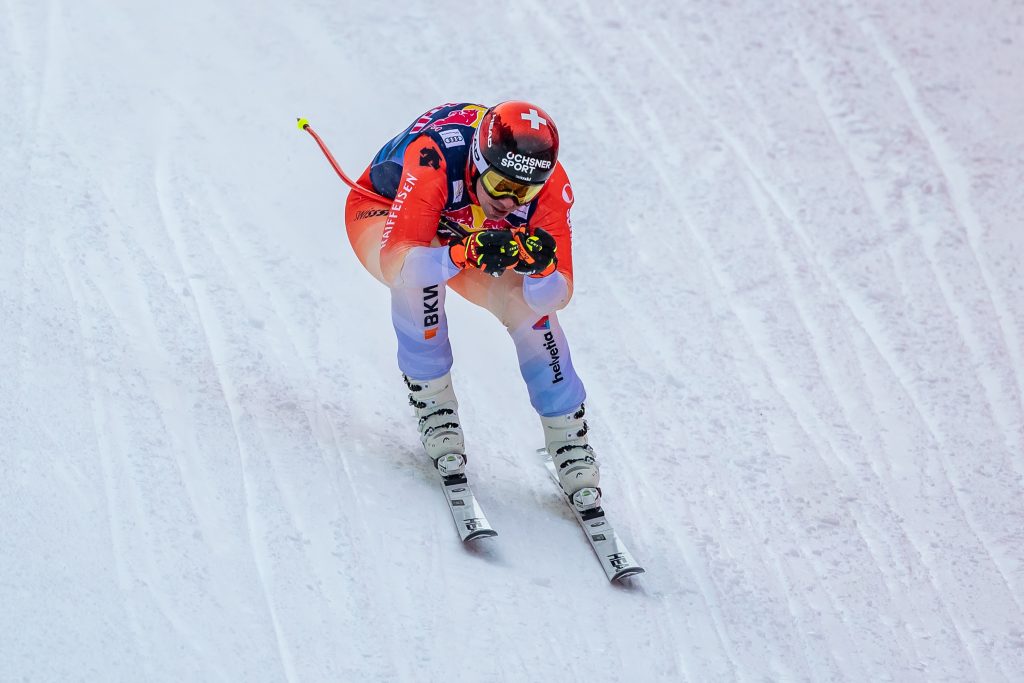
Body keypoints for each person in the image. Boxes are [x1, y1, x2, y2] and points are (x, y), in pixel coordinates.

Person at [343, 101, 601, 511]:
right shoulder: (435, 158)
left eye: (524, 192)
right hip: (385, 212)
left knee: (528, 310)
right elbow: (398, 264)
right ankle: (434, 406)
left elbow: (556, 295)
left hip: (462, 231)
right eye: (501, 185)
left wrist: (541, 269)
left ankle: (569, 436)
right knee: (419, 282)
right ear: (479, 161)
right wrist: (463, 252)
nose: (510, 202)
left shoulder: (551, 187)